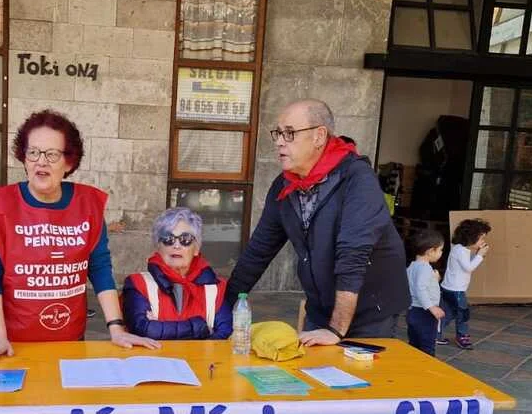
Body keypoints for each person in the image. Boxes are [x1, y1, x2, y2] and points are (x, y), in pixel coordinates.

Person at [0, 109, 159, 362]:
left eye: (52, 154)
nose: (41, 161)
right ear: (24, 158)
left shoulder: (87, 205)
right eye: (33, 152)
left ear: (68, 163)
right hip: (5, 343)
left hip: (67, 338)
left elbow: (100, 267)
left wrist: (116, 328)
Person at [226, 99, 409, 345]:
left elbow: (353, 255)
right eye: (278, 133)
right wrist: (223, 307)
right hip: (321, 309)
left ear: (319, 136)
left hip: (371, 312)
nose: (279, 141)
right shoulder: (285, 186)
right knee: (315, 368)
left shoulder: (357, 179)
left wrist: (336, 330)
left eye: (289, 133)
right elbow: (259, 251)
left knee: (356, 370)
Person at [121, 207, 232, 340]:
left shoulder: (216, 288)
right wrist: (200, 327)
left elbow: (224, 334)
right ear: (158, 246)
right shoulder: (138, 284)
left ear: (196, 249)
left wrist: (160, 327)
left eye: (185, 239)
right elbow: (143, 329)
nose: (177, 245)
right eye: (168, 239)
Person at [440, 218, 492, 349]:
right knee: (463, 314)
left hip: (449, 287)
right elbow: (469, 267)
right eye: (481, 238)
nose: (483, 241)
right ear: (471, 237)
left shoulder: (459, 249)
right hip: (456, 290)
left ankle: (435, 334)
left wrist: (478, 254)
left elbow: (466, 265)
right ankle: (462, 336)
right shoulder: (461, 251)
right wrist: (480, 255)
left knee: (449, 313)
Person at [406, 229, 445, 356]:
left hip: (413, 311)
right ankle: (428, 366)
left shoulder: (412, 266)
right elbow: (420, 288)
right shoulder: (425, 268)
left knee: (414, 345)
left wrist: (434, 280)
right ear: (430, 251)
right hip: (424, 313)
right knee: (427, 346)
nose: (441, 253)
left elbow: (414, 285)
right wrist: (432, 307)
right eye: (440, 250)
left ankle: (415, 364)